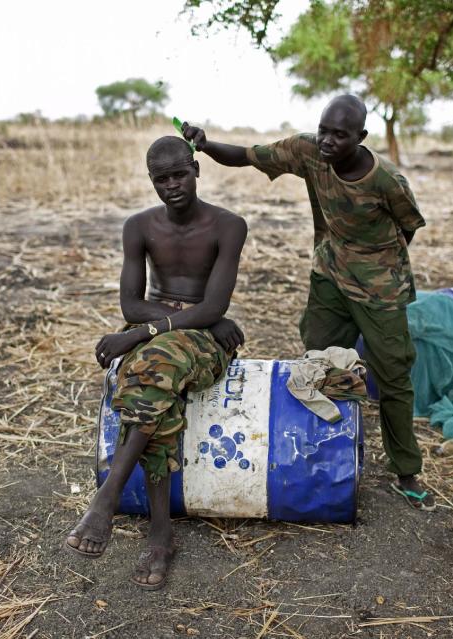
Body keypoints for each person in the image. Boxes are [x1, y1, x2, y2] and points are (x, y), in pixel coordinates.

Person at [181, 94, 434, 511]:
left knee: (393, 377)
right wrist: (204, 144)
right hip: (329, 279)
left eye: (340, 134)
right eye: (324, 130)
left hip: (379, 290)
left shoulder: (386, 180)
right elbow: (246, 156)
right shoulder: (308, 152)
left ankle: (406, 469)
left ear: (361, 137)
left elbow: (408, 227)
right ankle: (325, 455)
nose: (329, 141)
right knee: (316, 362)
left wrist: (373, 264)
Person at [65, 136, 248, 590]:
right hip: (176, 335)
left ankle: (107, 498)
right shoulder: (139, 227)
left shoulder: (229, 226)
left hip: (206, 342)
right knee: (155, 384)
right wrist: (179, 320)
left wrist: (143, 332)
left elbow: (210, 308)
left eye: (179, 174)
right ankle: (160, 535)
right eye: (161, 179)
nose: (172, 186)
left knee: (151, 366)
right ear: (151, 180)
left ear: (196, 170)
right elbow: (130, 302)